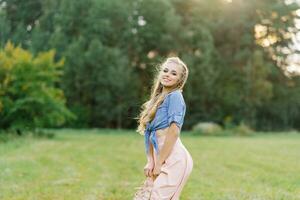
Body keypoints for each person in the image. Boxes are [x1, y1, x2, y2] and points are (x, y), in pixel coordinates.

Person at [135, 57, 193, 199]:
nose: (167, 74)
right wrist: (151, 161)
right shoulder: (157, 100)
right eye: (165, 71)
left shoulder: (175, 97)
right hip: (159, 158)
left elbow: (174, 132)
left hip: (175, 159)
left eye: (174, 73)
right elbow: (149, 133)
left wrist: (159, 162)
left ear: (180, 80)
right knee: (144, 197)